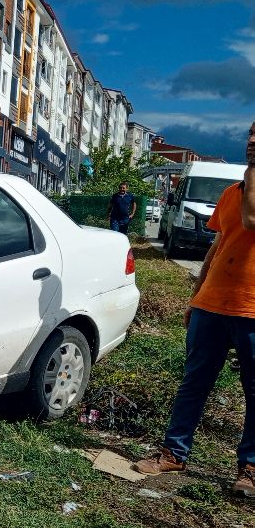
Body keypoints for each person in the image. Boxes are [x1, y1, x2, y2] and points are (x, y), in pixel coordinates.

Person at [133, 121, 255, 498]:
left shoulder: (247, 191)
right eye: (251, 134)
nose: (252, 141)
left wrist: (253, 176)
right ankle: (174, 452)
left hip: (252, 310)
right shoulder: (231, 194)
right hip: (212, 305)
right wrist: (197, 295)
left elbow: (252, 221)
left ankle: (249, 468)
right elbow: (219, 244)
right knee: (194, 382)